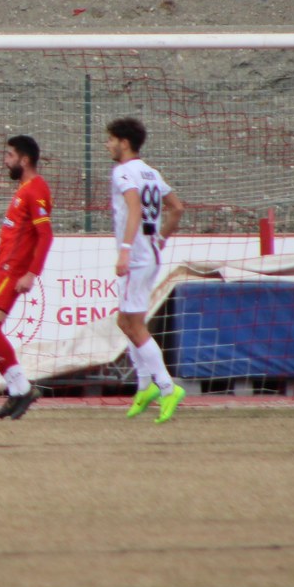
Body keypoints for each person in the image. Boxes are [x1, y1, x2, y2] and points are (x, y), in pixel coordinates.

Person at [106, 117, 186, 423]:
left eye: (111, 139)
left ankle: (166, 387)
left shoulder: (123, 172)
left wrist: (126, 250)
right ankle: (144, 386)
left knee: (133, 325)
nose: (108, 145)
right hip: (149, 254)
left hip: (137, 257)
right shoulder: (151, 172)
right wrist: (160, 239)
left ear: (124, 143)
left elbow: (135, 208)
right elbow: (177, 208)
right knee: (125, 321)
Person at [0, 136, 55, 421]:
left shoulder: (36, 189)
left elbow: (45, 235)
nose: (5, 160)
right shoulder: (23, 190)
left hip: (13, 272)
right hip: (1, 269)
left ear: (24, 159)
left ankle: (22, 389)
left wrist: (31, 273)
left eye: (9, 155)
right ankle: (16, 389)